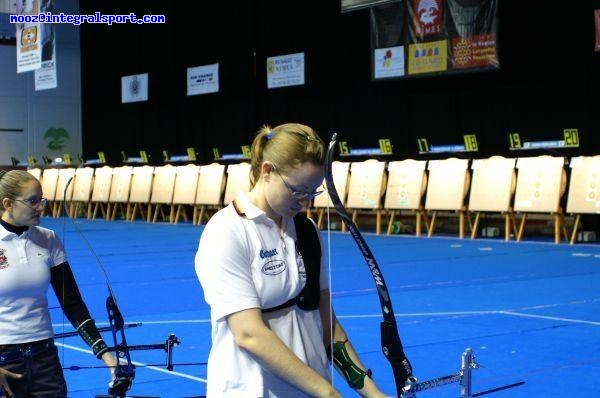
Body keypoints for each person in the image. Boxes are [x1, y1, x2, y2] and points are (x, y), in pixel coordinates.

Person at [195, 123, 388, 397]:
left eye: (313, 192)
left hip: (311, 390)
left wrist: (374, 393)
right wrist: (328, 392)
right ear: (267, 171)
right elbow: (248, 333)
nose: (305, 202)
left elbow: (329, 328)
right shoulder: (227, 231)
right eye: (298, 190)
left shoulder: (306, 230)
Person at [0, 169, 117, 397]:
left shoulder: (49, 238)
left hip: (45, 358)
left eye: (41, 199)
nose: (41, 207)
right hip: (4, 361)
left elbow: (72, 302)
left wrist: (106, 354)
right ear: (8, 203)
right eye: (32, 201)